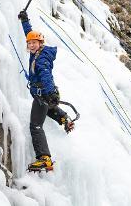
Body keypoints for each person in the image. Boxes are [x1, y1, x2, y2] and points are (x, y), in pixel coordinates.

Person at [18, 10, 75, 172]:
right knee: (48, 108)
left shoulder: (41, 58)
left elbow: (45, 75)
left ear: (41, 43)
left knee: (35, 125)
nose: (31, 45)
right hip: (42, 94)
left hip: (43, 93)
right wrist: (25, 21)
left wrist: (50, 93)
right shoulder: (37, 51)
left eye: (34, 43)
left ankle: (44, 158)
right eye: (29, 43)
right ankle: (64, 118)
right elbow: (29, 34)